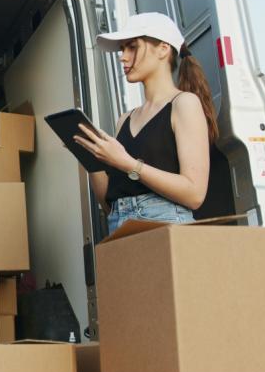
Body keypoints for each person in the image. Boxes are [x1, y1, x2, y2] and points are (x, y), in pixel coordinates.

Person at [74, 12, 217, 236]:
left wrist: (127, 163)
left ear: (163, 49)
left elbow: (195, 193)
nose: (122, 57)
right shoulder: (125, 119)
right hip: (119, 227)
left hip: (167, 225)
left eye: (132, 47)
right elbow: (109, 205)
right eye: (122, 49)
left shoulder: (184, 103)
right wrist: (91, 159)